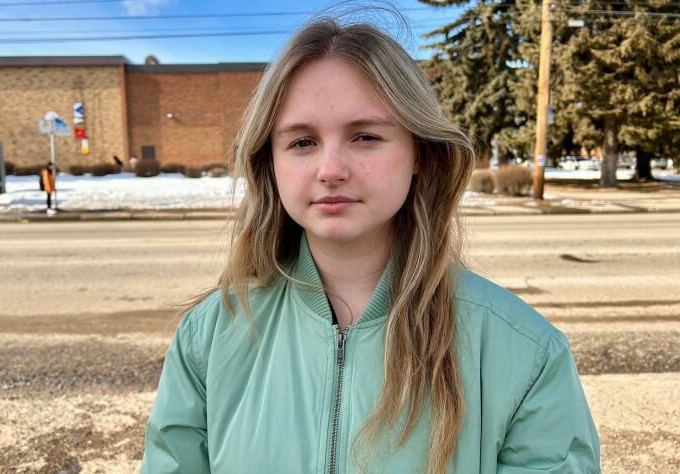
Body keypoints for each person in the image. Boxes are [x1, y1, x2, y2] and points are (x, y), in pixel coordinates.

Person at [141, 18, 600, 474]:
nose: (332, 168)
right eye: (302, 141)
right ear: (271, 163)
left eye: (365, 137)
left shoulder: (525, 352)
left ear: (420, 151)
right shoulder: (210, 337)